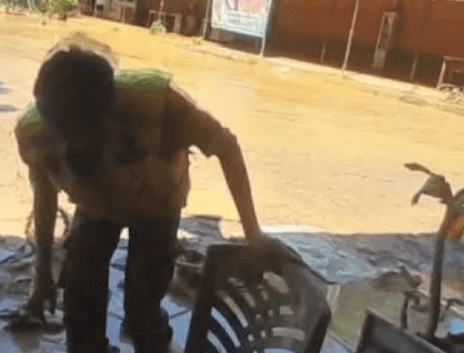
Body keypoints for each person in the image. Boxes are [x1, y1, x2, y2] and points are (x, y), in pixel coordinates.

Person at [15, 32, 288, 353]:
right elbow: (45, 200)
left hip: (157, 196)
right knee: (79, 290)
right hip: (95, 204)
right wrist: (43, 272)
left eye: (81, 134)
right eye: (61, 134)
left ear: (109, 114)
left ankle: (148, 331)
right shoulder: (36, 133)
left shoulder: (158, 106)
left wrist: (253, 233)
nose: (67, 145)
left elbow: (226, 147)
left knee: (143, 304)